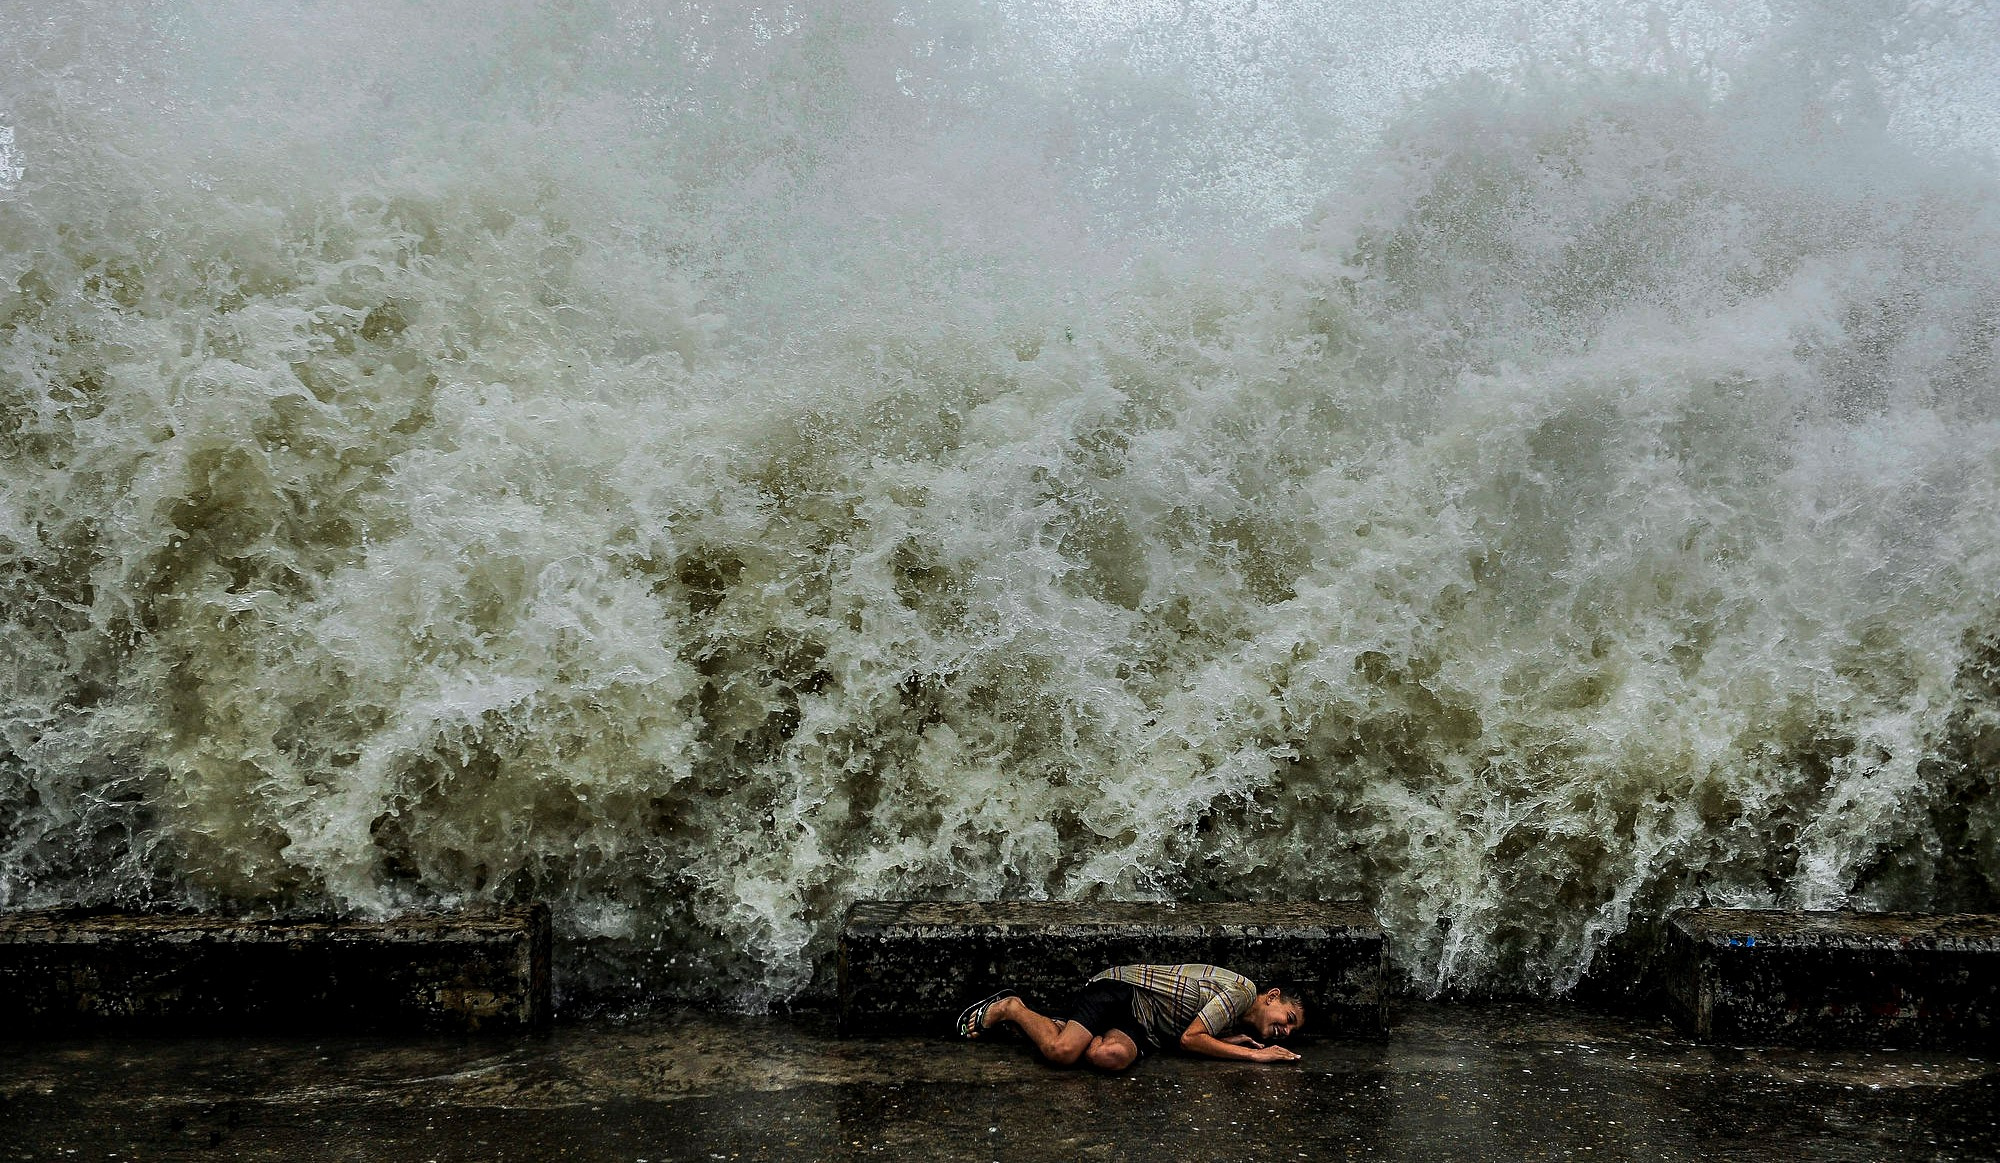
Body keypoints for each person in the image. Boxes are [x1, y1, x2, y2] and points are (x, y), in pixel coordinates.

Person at [955, 963, 1305, 1072]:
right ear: (1271, 996)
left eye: (1290, 1029)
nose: (1285, 1030)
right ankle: (1012, 1008)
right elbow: (1190, 1039)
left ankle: (1064, 1026)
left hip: (1141, 1024)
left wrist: (1225, 1041)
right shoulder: (1244, 990)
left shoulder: (1235, 1020)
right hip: (1122, 991)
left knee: (1109, 1057)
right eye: (1288, 1017)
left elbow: (1192, 1032)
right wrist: (1258, 1055)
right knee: (1060, 1053)